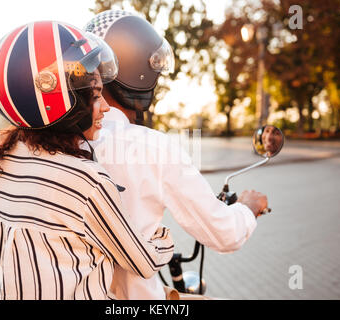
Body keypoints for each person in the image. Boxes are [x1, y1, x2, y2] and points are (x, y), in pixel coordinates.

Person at [0, 21, 174, 300]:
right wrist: (162, 237)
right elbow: (142, 262)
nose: (106, 107)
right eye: (96, 95)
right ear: (60, 102)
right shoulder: (86, 180)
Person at [85, 11, 268, 299]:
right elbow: (224, 234)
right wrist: (247, 207)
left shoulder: (62, 141)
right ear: (140, 70)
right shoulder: (152, 146)